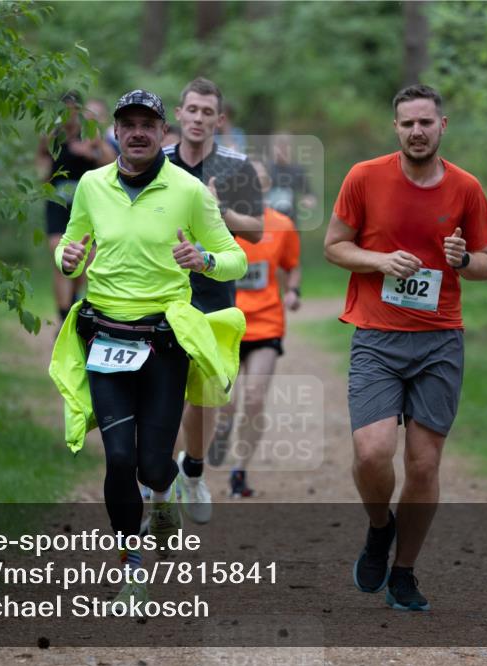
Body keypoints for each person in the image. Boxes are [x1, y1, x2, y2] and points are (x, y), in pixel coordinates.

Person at [50, 90, 247, 606]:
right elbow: (70, 252)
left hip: (162, 340)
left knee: (154, 466)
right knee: (118, 459)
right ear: (115, 131)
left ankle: (164, 491)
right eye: (127, 123)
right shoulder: (91, 185)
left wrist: (202, 257)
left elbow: (235, 261)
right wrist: (67, 259)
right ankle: (129, 565)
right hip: (104, 333)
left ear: (164, 133)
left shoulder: (189, 191)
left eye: (147, 124)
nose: (137, 132)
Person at [323, 84, 487, 612]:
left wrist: (464, 261)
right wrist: (379, 261)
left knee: (423, 466)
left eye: (426, 122)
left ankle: (404, 572)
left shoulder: (466, 188)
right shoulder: (364, 177)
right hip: (376, 335)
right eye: (407, 124)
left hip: (440, 339)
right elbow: (333, 246)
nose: (417, 131)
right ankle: (381, 528)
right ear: (395, 128)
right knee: (372, 453)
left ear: (443, 126)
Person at [164, 77, 264, 524]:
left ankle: (195, 468)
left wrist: (219, 212)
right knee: (161, 392)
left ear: (219, 120)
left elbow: (258, 230)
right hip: (162, 293)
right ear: (179, 115)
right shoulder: (157, 164)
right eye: (193, 110)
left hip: (215, 295)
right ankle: (158, 486)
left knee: (205, 396)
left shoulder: (237, 168)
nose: (199, 118)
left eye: (208, 111)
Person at [208, 161, 301, 499]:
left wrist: (294, 290)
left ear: (266, 186)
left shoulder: (283, 225)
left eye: (260, 180)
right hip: (227, 322)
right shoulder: (220, 222)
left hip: (267, 322)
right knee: (226, 402)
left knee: (255, 398)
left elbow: (293, 267)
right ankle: (220, 431)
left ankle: (240, 470)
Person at [37, 91, 116, 327]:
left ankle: (72, 300)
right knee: (58, 255)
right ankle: (63, 319)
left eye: (74, 110)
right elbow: (41, 157)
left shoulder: (91, 136)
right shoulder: (53, 135)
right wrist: (41, 176)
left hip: (86, 206)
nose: (69, 115)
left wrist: (95, 143)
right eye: (65, 110)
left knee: (82, 263)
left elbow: (111, 163)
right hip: (58, 203)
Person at [267, 133, 316, 221]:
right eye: (278, 147)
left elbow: (308, 192)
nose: (281, 151)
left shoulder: (297, 170)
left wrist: (308, 200)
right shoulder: (267, 168)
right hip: (269, 219)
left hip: (290, 219)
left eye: (284, 148)